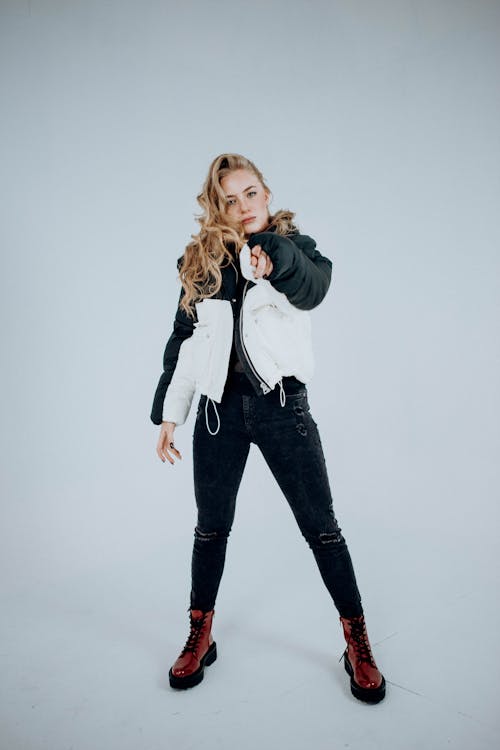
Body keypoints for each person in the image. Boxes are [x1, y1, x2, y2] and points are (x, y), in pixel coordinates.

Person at [151, 153, 386, 703]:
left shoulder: (294, 251)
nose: (243, 206)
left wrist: (273, 256)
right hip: (217, 412)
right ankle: (200, 631)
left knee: (321, 529)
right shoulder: (200, 264)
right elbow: (182, 345)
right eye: (230, 199)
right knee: (210, 528)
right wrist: (169, 413)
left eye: (251, 193)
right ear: (217, 207)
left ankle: (358, 642)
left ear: (267, 193)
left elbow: (314, 288)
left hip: (282, 408)